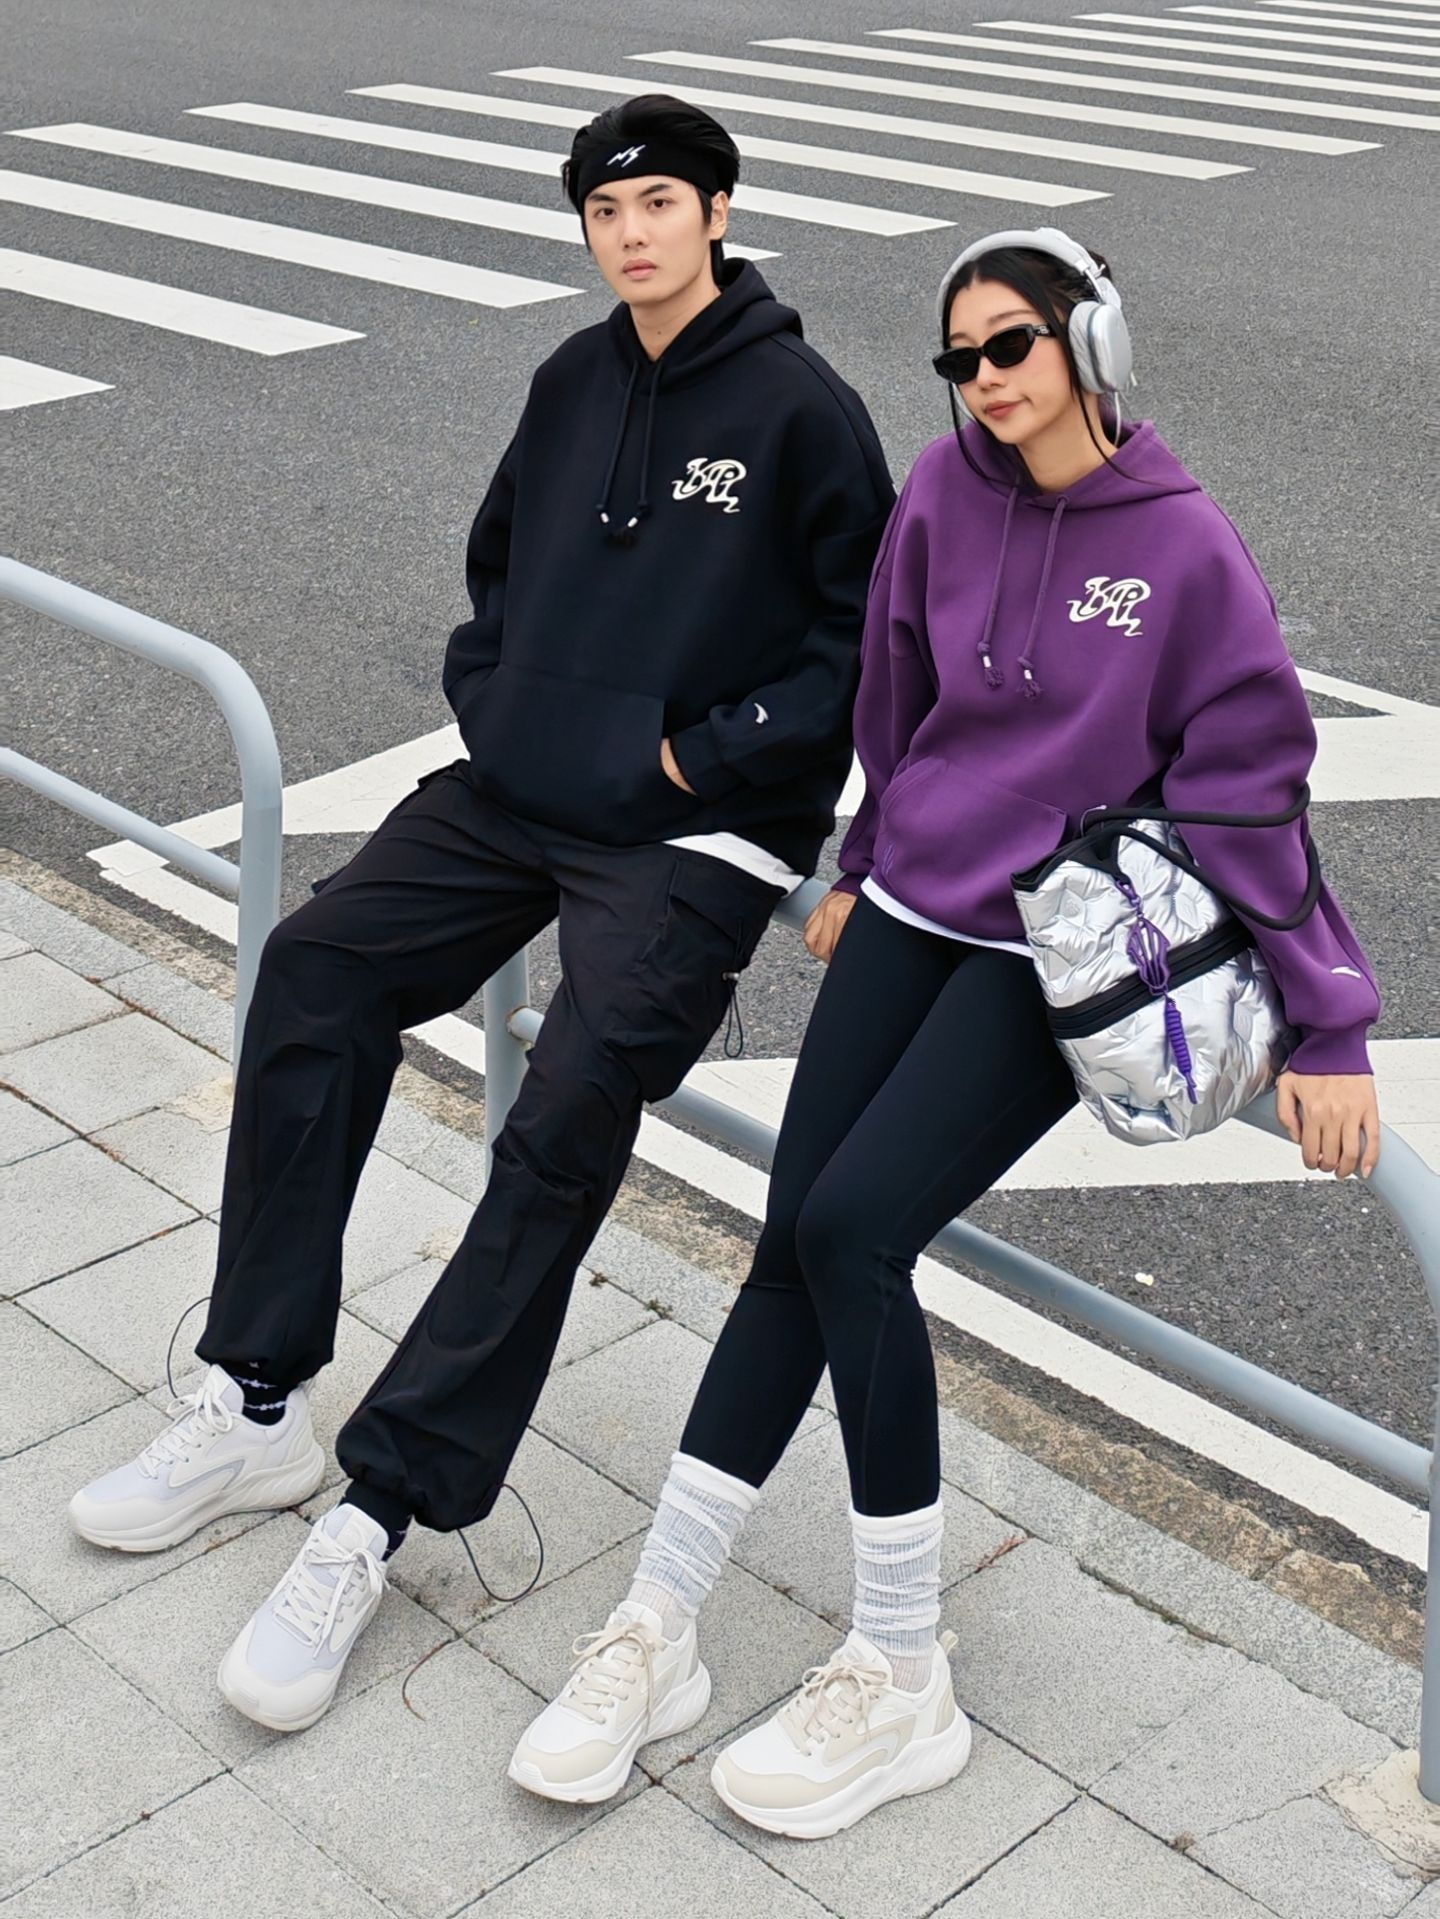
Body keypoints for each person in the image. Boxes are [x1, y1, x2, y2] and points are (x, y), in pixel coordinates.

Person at [510, 227, 1382, 1838]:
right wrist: (863, 860)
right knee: (791, 1236)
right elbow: (896, 695)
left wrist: (1328, 1021)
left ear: (1090, 344)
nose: (983, 380)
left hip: (1050, 947)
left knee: (852, 1230)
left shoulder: (1186, 549)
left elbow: (1252, 793)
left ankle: (904, 1668)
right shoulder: (940, 491)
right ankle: (658, 1620)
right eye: (960, 357)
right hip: (915, 900)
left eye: (1012, 345)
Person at [66, 94, 893, 1735]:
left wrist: (699, 755)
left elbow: (863, 639)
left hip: (699, 834)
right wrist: (502, 705)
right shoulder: (572, 380)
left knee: (571, 1099)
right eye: (605, 211)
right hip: (523, 789)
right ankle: (256, 1398)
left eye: (661, 203)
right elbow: (498, 569)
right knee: (315, 967)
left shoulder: (802, 410)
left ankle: (380, 1508)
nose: (632, 233)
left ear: (719, 213)